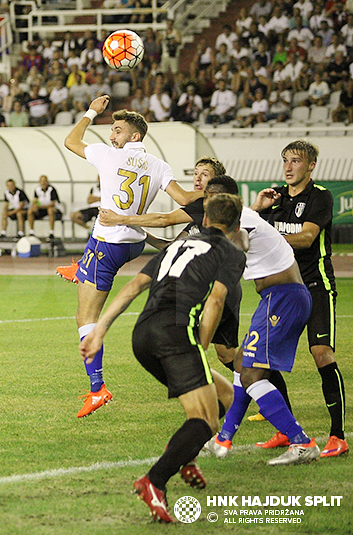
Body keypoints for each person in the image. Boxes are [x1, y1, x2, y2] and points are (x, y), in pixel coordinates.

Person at [82, 194, 245, 523]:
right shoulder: (230, 252)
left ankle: (184, 457)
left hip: (142, 336)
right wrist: (200, 344)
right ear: (236, 226)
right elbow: (215, 302)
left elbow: (132, 288)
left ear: (205, 219)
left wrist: (98, 331)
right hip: (176, 334)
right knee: (207, 421)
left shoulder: (175, 246)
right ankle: (154, 481)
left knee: (223, 394)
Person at [59, 95, 203, 418]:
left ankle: (97, 389)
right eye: (112, 129)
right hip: (134, 241)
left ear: (134, 136)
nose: (112, 135)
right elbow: (183, 199)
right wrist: (213, 193)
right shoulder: (158, 165)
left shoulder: (108, 156)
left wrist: (91, 112)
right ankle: (81, 268)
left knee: (85, 320)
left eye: (118, 130)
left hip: (108, 245)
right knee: (97, 243)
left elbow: (70, 141)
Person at [201, 175, 320, 466]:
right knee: (243, 366)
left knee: (252, 374)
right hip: (276, 299)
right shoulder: (243, 215)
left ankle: (302, 442)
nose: (206, 202)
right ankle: (223, 438)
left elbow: (241, 238)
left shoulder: (242, 220)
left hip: (284, 298)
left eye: (210, 197)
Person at [251, 140, 348, 458]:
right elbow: (247, 229)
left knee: (322, 354)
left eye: (296, 160)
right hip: (283, 292)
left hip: (316, 287)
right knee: (267, 360)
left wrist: (269, 236)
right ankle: (285, 430)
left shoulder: (320, 196)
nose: (289, 166)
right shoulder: (274, 197)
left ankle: (337, 435)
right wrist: (257, 208)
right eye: (285, 160)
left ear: (311, 165)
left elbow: (306, 238)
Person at [97, 161, 242, 372]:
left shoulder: (215, 211)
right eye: (196, 174)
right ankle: (254, 386)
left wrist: (122, 219)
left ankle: (252, 386)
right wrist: (142, 234)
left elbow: (165, 219)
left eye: (205, 175)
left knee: (196, 354)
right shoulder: (199, 211)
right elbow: (172, 247)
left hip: (218, 288)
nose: (197, 179)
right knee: (224, 353)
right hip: (206, 288)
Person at [27, 175, 61, 242]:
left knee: (50, 210)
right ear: (39, 182)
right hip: (42, 209)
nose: (43, 183)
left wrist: (41, 206)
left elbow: (52, 203)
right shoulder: (37, 189)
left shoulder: (52, 189)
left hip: (53, 209)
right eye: (42, 181)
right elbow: (35, 200)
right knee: (30, 211)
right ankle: (31, 231)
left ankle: (51, 232)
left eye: (45, 181)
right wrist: (34, 206)